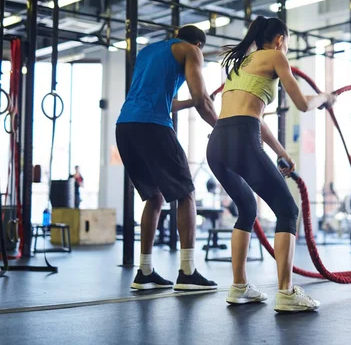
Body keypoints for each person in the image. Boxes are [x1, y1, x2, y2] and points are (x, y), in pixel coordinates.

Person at [207, 16, 337, 312]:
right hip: (241, 138)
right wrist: (325, 98)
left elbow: (254, 117)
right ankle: (286, 292)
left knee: (248, 209)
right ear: (280, 39)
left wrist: (281, 152)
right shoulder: (276, 56)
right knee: (287, 210)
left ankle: (239, 287)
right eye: (287, 42)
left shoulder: (242, 63)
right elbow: (303, 104)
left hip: (217, 143)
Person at [116, 25, 219, 291]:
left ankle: (145, 271)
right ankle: (187, 272)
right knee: (186, 194)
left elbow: (171, 102)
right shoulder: (191, 51)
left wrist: (195, 101)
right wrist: (221, 129)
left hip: (125, 126)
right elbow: (201, 100)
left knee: (155, 197)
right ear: (199, 44)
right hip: (153, 126)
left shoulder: (149, 51)